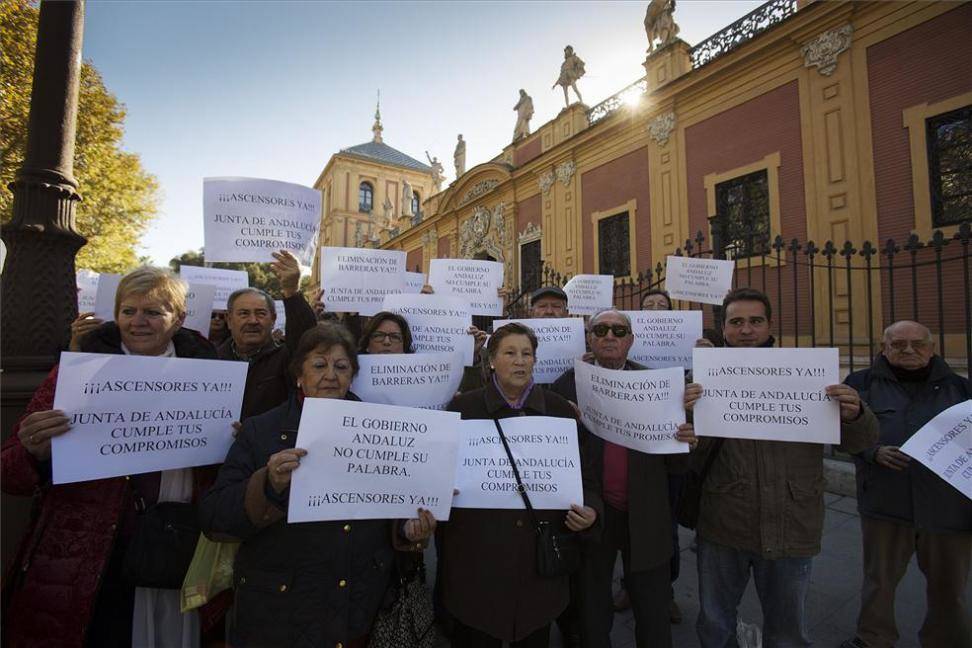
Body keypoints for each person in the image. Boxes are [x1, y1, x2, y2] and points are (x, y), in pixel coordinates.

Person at [2, 267, 220, 648]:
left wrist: (226, 443)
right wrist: (33, 452)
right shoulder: (75, 373)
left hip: (173, 548)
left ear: (179, 318)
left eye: (153, 312)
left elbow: (218, 477)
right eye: (128, 311)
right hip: (84, 551)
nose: (138, 322)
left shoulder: (211, 377)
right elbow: (9, 474)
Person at [199, 323, 435, 647]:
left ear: (352, 375)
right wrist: (268, 484)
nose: (331, 375)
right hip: (280, 611)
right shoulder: (261, 431)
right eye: (319, 365)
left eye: (341, 367)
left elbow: (391, 506)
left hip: (358, 605)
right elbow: (215, 518)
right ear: (299, 374)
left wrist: (407, 530)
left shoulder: (382, 429)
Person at [680, 287, 878, 647]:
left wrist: (855, 415)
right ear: (723, 329)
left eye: (755, 321)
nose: (746, 330)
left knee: (787, 631)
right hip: (723, 522)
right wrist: (686, 417)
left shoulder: (809, 374)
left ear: (770, 325)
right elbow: (686, 454)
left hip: (792, 524)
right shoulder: (700, 380)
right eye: (736, 322)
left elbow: (859, 443)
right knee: (715, 623)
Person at [441, 322, 602, 647]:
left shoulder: (559, 410)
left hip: (538, 567)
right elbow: (442, 473)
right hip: (477, 562)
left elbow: (585, 477)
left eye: (527, 353)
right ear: (490, 361)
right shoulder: (463, 409)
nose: (519, 361)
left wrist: (592, 512)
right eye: (510, 353)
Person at [551, 309, 689, 647]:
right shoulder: (566, 385)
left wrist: (685, 440)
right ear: (590, 338)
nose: (609, 336)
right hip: (593, 514)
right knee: (592, 605)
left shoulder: (658, 385)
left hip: (646, 514)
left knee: (653, 608)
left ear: (630, 339)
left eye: (618, 330)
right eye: (601, 329)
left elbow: (677, 467)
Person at [841, 320, 972, 648]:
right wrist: (872, 452)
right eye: (898, 345)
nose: (909, 350)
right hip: (886, 502)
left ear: (932, 348)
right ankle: (873, 639)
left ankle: (946, 640)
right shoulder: (859, 384)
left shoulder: (962, 389)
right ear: (883, 349)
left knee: (949, 586)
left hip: (948, 508)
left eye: (918, 344)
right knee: (879, 581)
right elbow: (840, 433)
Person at [219, 250, 316, 420]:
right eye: (243, 313)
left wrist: (292, 291)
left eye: (261, 313)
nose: (253, 320)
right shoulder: (210, 358)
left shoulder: (287, 360)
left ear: (273, 319)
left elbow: (306, 338)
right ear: (229, 319)